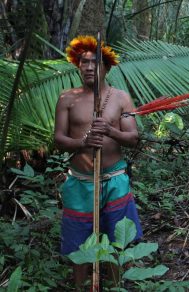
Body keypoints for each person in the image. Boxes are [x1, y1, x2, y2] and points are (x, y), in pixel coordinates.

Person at [54, 35, 143, 289]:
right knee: (78, 242)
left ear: (107, 67)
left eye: (96, 62)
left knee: (117, 239)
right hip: (80, 183)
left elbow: (133, 138)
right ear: (77, 65)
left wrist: (110, 131)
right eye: (84, 62)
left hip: (114, 181)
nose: (90, 67)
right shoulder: (67, 98)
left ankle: (115, 285)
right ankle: (81, 287)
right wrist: (83, 142)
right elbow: (59, 139)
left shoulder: (121, 98)